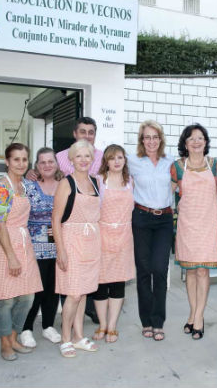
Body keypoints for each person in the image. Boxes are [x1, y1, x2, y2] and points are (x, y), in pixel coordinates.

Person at [25, 117, 102, 324]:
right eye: (83, 131)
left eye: (91, 132)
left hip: (80, 235)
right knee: (44, 285)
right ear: (75, 134)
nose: (87, 135)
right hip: (54, 236)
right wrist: (31, 172)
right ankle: (32, 327)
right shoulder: (60, 158)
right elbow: (48, 171)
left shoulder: (101, 158)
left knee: (64, 285)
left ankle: (57, 323)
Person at [0, 143, 43, 361]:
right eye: (16, 159)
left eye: (24, 159)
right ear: (8, 162)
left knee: (27, 296)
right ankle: (5, 343)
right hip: (5, 245)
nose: (21, 163)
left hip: (23, 241)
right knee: (6, 299)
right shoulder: (2, 187)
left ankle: (14, 337)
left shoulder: (24, 186)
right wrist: (11, 256)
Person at [171, 124, 217, 340]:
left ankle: (199, 317)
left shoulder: (215, 165)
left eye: (201, 138)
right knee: (190, 271)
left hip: (209, 224)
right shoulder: (177, 167)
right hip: (187, 224)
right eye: (192, 138)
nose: (197, 141)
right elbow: (169, 195)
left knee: (203, 271)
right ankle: (192, 313)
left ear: (206, 142)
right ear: (185, 143)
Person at [52, 140, 101, 357]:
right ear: (71, 160)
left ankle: (79, 336)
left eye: (87, 156)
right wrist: (60, 250)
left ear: (92, 159)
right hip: (71, 242)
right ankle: (65, 338)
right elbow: (55, 218)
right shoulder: (66, 183)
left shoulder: (96, 182)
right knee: (73, 294)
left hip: (91, 243)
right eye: (78, 156)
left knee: (83, 293)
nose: (83, 160)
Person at [128, 120, 174, 341]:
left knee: (160, 269)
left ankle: (159, 321)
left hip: (164, 220)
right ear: (141, 140)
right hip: (141, 218)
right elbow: (108, 169)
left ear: (161, 139)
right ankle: (146, 321)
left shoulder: (170, 162)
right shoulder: (133, 161)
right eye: (147, 137)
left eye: (155, 137)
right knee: (144, 270)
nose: (151, 141)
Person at [92, 144, 135, 343]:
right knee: (101, 283)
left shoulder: (131, 182)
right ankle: (102, 324)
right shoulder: (99, 181)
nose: (116, 161)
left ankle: (112, 325)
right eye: (112, 158)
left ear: (124, 160)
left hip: (124, 237)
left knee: (118, 282)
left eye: (120, 157)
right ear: (106, 161)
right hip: (102, 236)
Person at [21, 147, 64, 347]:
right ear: (37, 165)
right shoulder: (28, 186)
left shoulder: (64, 185)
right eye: (42, 162)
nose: (47, 165)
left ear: (57, 164)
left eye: (50, 161)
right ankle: (26, 328)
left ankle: (48, 325)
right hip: (34, 246)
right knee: (35, 290)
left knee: (53, 289)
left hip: (58, 246)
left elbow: (72, 212)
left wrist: (59, 227)